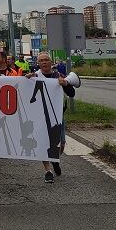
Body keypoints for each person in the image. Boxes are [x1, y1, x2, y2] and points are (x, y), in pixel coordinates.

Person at [25, 52, 77, 183]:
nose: (44, 62)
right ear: (38, 63)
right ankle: (48, 170)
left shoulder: (58, 76)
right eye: (41, 60)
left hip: (58, 116)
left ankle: (55, 160)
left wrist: (64, 83)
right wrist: (27, 79)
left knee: (61, 145)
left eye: (46, 60)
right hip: (40, 116)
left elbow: (71, 93)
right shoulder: (35, 76)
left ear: (50, 62)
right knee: (44, 143)